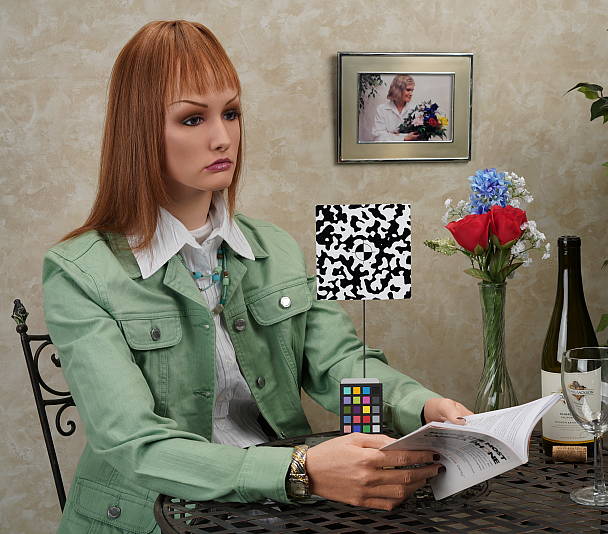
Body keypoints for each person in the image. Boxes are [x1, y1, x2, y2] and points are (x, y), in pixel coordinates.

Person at [42, 20, 472, 534]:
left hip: (283, 504)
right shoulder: (78, 271)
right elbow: (134, 443)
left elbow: (337, 365)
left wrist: (419, 406)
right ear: (140, 130)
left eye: (231, 113)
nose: (222, 138)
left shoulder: (274, 246)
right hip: (156, 516)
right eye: (192, 119)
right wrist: (300, 471)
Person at [371, 74, 421, 142]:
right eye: (408, 90)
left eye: (412, 90)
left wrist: (391, 135)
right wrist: (404, 137)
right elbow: (378, 138)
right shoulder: (382, 109)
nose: (411, 93)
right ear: (398, 90)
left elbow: (418, 136)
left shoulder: (415, 109)